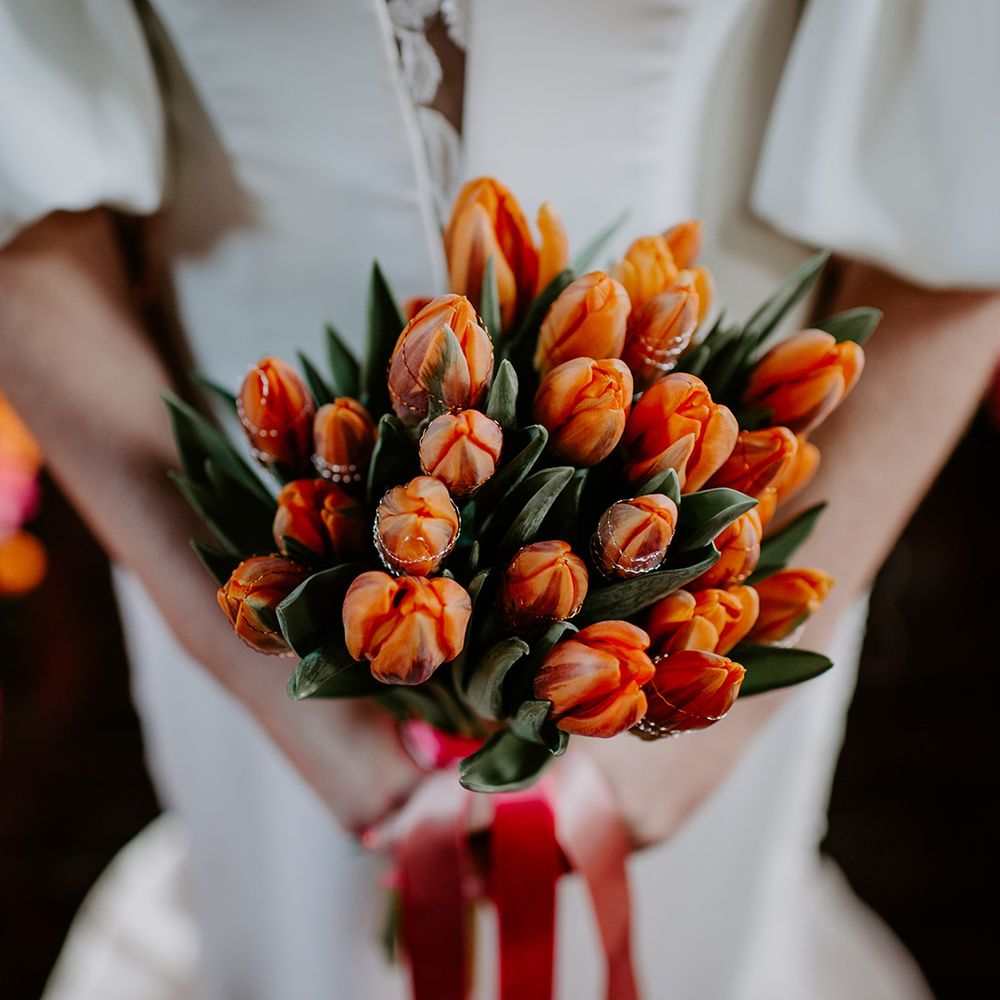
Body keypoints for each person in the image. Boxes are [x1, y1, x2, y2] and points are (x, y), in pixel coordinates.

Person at [2, 1, 998, 997]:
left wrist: (698, 738)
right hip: (237, 552)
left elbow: (962, 163)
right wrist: (280, 692)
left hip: (713, 578)